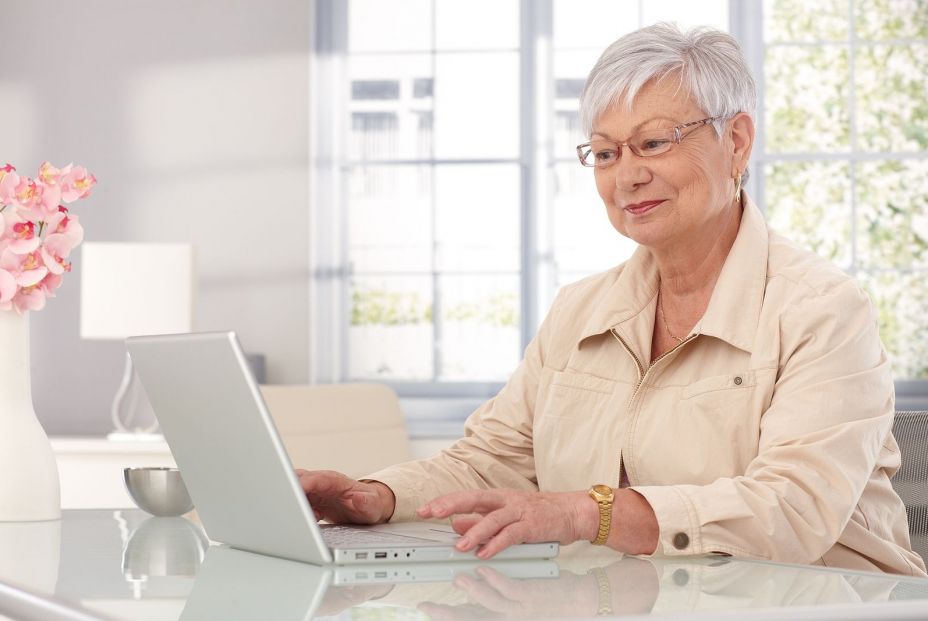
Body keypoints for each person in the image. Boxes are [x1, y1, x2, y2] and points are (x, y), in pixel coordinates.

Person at [299, 22, 927, 577]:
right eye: (604, 153)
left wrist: (584, 513)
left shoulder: (823, 310)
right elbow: (493, 461)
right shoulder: (578, 309)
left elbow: (790, 511)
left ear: (736, 140)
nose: (625, 175)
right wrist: (374, 496)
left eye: (654, 142)